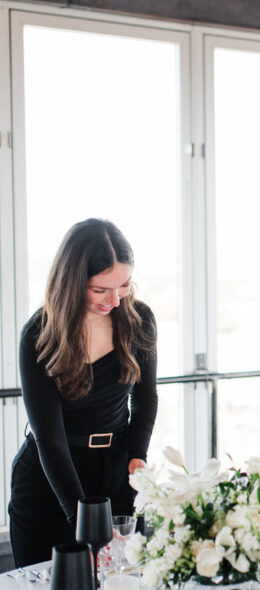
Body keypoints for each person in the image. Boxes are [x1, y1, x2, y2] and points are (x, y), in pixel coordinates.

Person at [9, 219, 158, 566]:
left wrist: (138, 455)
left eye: (123, 285)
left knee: (119, 589)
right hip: (51, 480)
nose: (115, 301)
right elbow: (50, 438)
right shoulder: (39, 333)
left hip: (115, 475)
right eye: (100, 290)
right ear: (73, 282)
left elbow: (145, 396)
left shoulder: (139, 320)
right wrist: (82, 520)